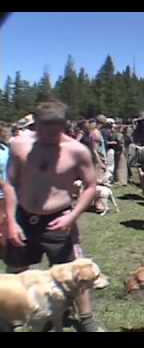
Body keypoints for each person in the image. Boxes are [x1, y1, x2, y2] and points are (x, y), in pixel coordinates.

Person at [4, 98, 103, 332]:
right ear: (35, 124)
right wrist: (10, 221)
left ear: (64, 125)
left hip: (58, 219)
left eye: (56, 131)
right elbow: (10, 183)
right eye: (44, 131)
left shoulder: (77, 150)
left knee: (76, 271)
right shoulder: (19, 144)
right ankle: (17, 314)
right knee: (18, 270)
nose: (50, 137)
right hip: (23, 217)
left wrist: (72, 216)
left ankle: (86, 318)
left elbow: (91, 185)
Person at [89, 116, 107, 189]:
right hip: (97, 160)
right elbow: (94, 150)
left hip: (100, 158)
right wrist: (100, 163)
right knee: (98, 181)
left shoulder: (95, 132)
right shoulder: (95, 133)